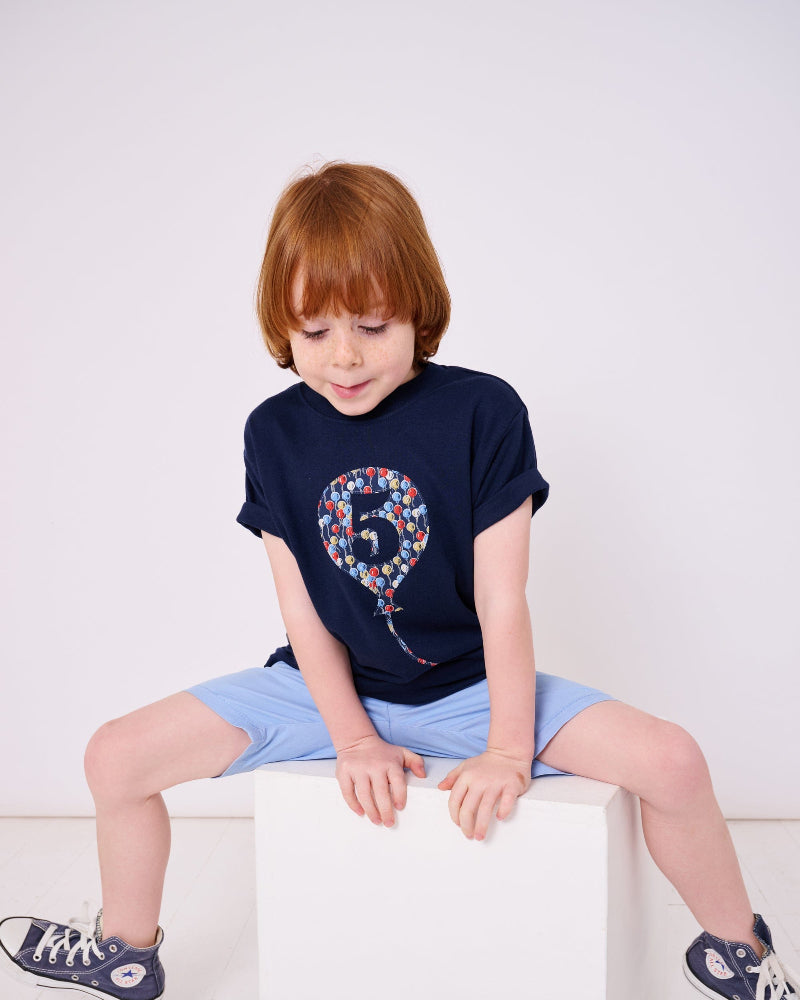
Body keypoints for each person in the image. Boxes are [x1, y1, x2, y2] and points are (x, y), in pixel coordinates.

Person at [0, 162, 796, 1000]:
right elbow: (302, 610)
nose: (343, 357)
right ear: (282, 327)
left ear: (419, 309)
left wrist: (506, 752)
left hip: (472, 692)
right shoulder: (271, 432)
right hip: (322, 691)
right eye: (314, 332)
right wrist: (352, 739)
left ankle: (737, 950)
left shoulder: (485, 412)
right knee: (115, 757)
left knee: (672, 760)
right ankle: (125, 951)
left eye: (373, 325)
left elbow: (501, 600)